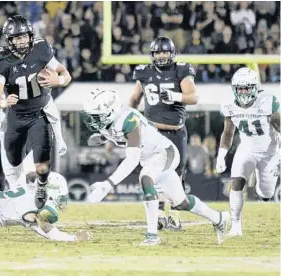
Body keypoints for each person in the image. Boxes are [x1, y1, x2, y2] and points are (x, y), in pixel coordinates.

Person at [83, 89, 229, 245]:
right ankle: (219, 219)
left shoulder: (130, 120)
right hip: (152, 158)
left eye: (96, 117)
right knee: (181, 202)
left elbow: (132, 160)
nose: (93, 121)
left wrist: (107, 185)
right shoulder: (110, 122)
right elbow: (116, 134)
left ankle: (152, 236)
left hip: (165, 152)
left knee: (146, 178)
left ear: (111, 111)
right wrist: (103, 138)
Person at [0, 15, 72, 209]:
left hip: (38, 114)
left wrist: (57, 81)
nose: (22, 41)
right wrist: (4, 102)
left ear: (31, 36)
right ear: (9, 40)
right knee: (13, 163)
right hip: (15, 117)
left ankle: (41, 185)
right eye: (17, 37)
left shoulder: (41, 48)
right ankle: (19, 197)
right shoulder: (0, 59)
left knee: (41, 166)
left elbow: (66, 75)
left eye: (24, 36)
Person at [129, 36, 198, 231]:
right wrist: (130, 119)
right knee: (154, 174)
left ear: (172, 53)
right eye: (157, 52)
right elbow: (134, 100)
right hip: (152, 133)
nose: (161, 55)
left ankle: (174, 216)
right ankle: (159, 215)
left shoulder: (181, 70)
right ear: (152, 54)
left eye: (164, 52)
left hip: (176, 132)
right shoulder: (144, 73)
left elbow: (193, 97)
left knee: (177, 174)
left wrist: (176, 96)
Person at [216, 67, 280, 237]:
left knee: (266, 193)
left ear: (255, 88)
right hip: (247, 147)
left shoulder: (267, 101)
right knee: (236, 181)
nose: (243, 92)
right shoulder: (229, 105)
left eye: (247, 88)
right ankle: (236, 227)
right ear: (234, 89)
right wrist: (222, 153)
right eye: (240, 88)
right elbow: (228, 133)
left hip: (270, 151)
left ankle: (261, 185)